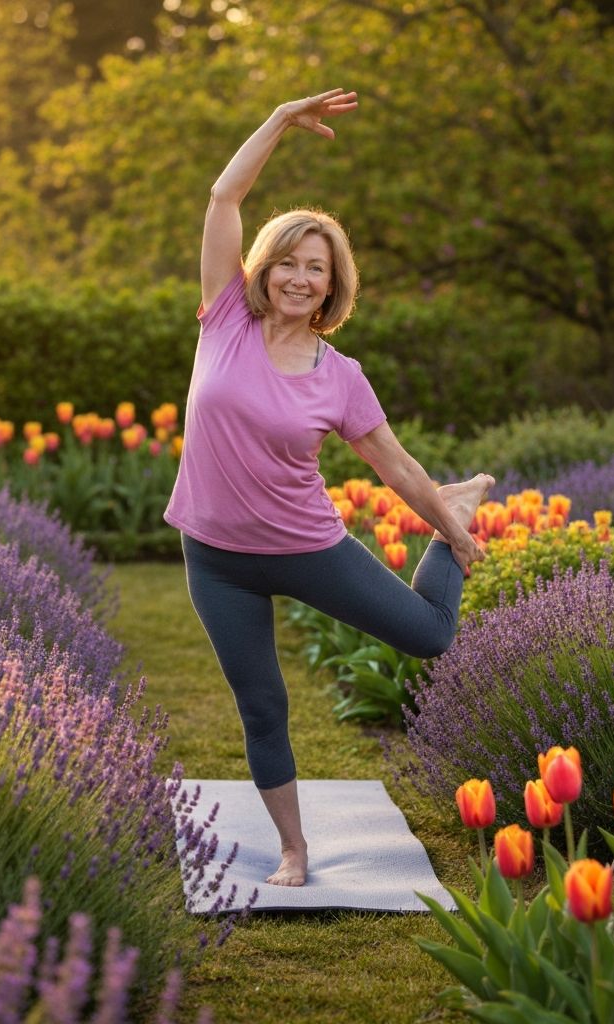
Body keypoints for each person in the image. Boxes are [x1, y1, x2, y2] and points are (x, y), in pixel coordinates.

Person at [164, 88, 494, 886]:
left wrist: (448, 529)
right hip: (217, 556)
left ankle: (461, 505)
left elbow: (395, 468)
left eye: (318, 267)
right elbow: (223, 195)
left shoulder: (340, 377)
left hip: (307, 546)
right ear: (264, 266)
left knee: (431, 637)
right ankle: (293, 848)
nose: (300, 277)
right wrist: (278, 120)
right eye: (289, 261)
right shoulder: (224, 322)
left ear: (332, 284)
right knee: (262, 704)